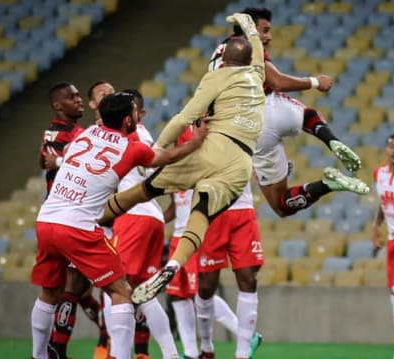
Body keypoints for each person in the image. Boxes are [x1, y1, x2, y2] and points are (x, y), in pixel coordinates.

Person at [95, 13, 267, 305]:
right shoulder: (258, 75)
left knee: (146, 189)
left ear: (223, 60)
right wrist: (250, 28)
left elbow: (184, 118)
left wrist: (158, 148)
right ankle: (173, 265)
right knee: (201, 212)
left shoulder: (217, 76)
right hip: (240, 165)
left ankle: (94, 218)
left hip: (213, 148)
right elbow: (259, 54)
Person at [30, 92, 208, 359]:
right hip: (79, 226)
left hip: (47, 219)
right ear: (129, 119)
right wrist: (196, 142)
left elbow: (66, 158)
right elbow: (166, 158)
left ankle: (38, 355)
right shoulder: (131, 147)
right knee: (121, 290)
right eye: (135, 112)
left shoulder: (87, 133)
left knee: (50, 291)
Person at [208, 7, 368, 218]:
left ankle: (327, 184)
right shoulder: (247, 46)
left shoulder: (220, 51)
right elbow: (278, 82)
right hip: (268, 107)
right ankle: (330, 140)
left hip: (249, 130)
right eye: (264, 31)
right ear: (249, 28)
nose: (269, 37)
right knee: (307, 114)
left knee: (281, 205)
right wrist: (315, 82)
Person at [164, 128, 263, 359]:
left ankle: (241, 351)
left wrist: (275, 170)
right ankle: (203, 348)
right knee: (200, 289)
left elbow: (260, 163)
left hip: (238, 213)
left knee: (248, 278)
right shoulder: (185, 156)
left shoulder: (239, 126)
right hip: (205, 221)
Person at [107, 89, 178, 359]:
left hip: (132, 216)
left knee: (114, 285)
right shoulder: (147, 137)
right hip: (153, 216)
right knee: (143, 293)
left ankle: (117, 353)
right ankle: (171, 355)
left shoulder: (123, 136)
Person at [39, 82, 103, 359]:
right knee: (74, 286)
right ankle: (58, 347)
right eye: (72, 97)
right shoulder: (75, 134)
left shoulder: (55, 131)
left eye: (79, 95)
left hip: (54, 215)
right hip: (73, 214)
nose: (78, 100)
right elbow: (84, 164)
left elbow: (47, 162)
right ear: (57, 105)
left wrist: (59, 162)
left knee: (71, 289)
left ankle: (46, 350)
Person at [371, 133, 394, 359]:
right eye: (391, 146)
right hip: (393, 240)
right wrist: (376, 225)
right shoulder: (380, 173)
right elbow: (383, 202)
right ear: (386, 150)